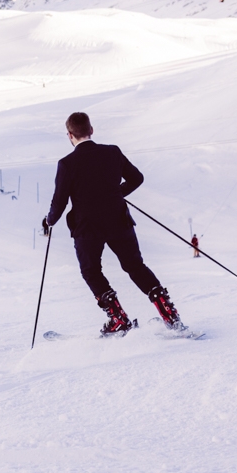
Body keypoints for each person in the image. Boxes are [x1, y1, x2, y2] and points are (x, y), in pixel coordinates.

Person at [42, 112, 184, 335]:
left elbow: (59, 202)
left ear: (69, 135)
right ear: (91, 130)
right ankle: (170, 315)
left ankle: (119, 319)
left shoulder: (67, 164)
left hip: (87, 228)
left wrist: (49, 220)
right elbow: (136, 178)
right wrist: (116, 194)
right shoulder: (112, 152)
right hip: (119, 220)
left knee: (91, 272)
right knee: (135, 266)